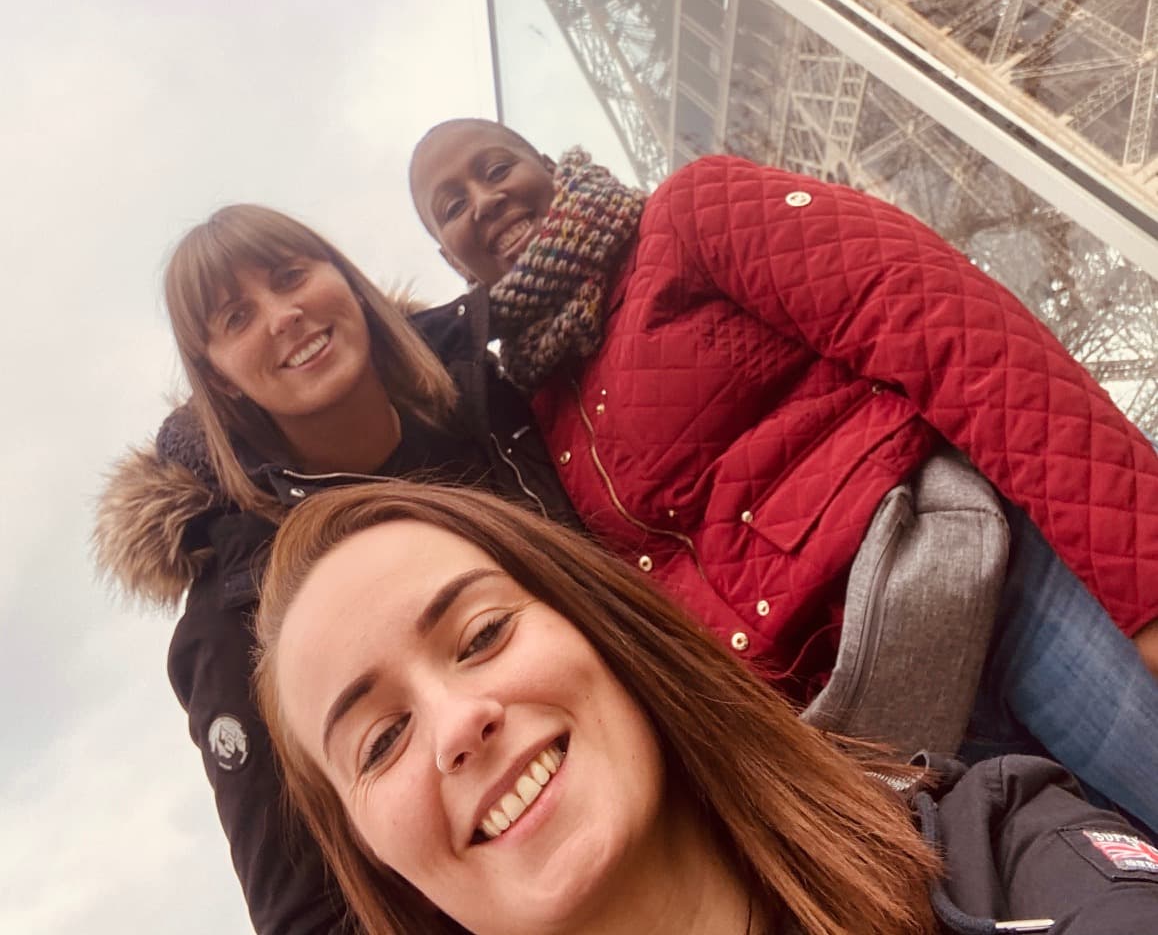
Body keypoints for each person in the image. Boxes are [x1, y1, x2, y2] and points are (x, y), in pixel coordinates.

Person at [408, 119, 1158, 830]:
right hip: (891, 741)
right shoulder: (541, 411)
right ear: (449, 259)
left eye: (497, 167)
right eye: (452, 206)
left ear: (546, 163)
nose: (485, 200)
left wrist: (1145, 586)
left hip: (997, 602)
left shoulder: (688, 217)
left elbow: (953, 337)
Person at [254, 478, 1158, 935]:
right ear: (373, 864)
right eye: (379, 743)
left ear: (604, 631)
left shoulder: (1000, 847)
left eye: (484, 632)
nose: (457, 726)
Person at [93, 203, 580, 935]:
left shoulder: (493, 410)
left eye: (291, 276)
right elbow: (306, 916)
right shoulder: (239, 615)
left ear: (346, 281)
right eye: (235, 318)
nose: (282, 315)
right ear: (218, 379)